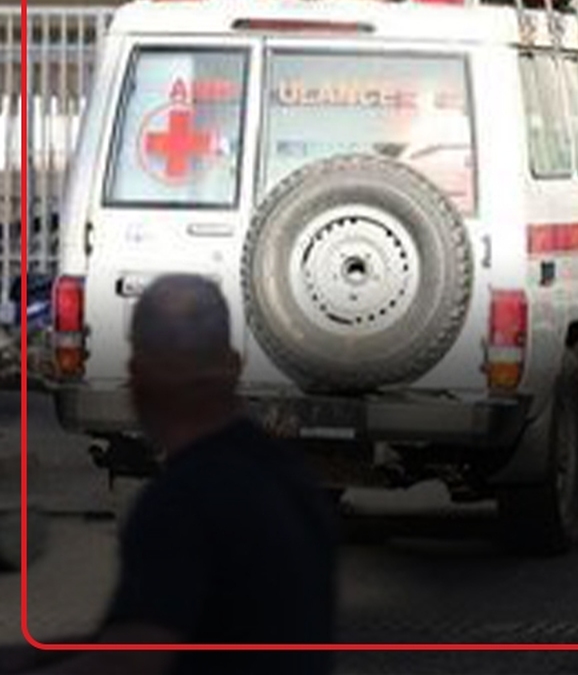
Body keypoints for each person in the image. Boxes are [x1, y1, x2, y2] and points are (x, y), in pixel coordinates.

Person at [18, 275, 338, 675]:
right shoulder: (292, 477)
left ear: (138, 380)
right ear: (233, 366)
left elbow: (133, 659)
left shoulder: (179, 503)